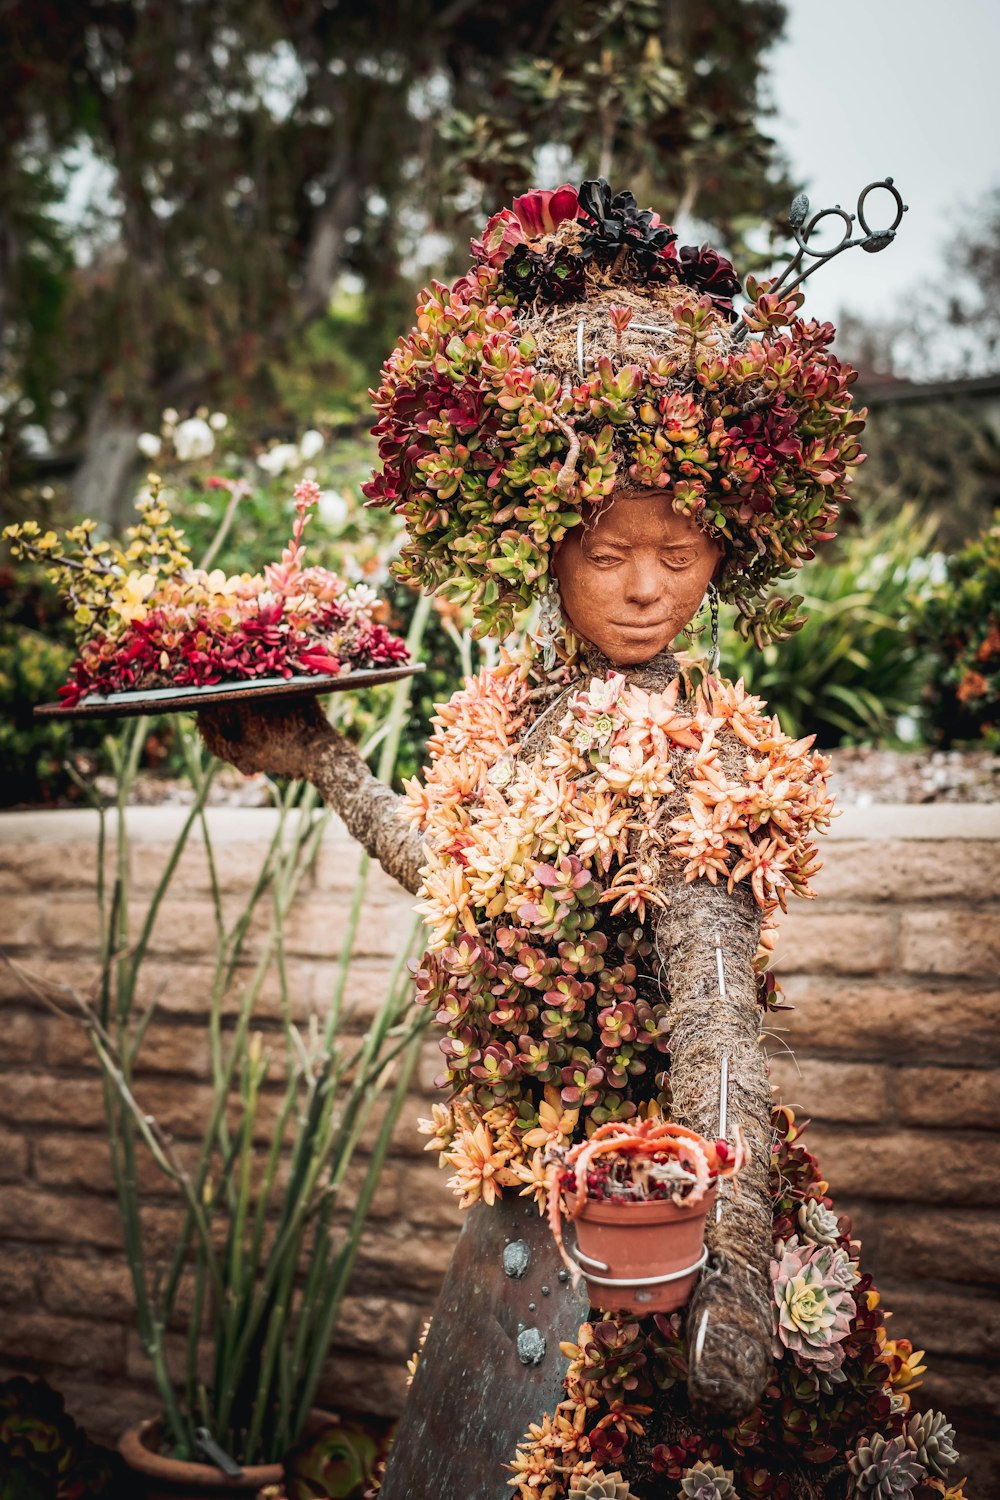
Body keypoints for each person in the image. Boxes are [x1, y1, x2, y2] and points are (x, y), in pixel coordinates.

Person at [200, 180, 966, 1500]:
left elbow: (718, 1028)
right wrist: (318, 757)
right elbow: (470, 878)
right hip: (516, 1223)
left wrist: (721, 1263)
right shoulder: (512, 714)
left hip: (639, 1238)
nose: (649, 585)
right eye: (613, 549)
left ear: (729, 551)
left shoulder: (699, 750)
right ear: (549, 545)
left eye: (682, 550)